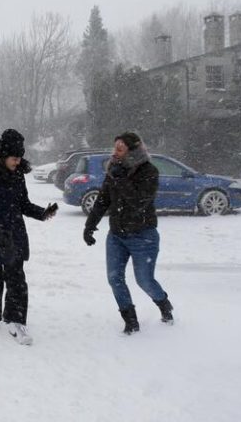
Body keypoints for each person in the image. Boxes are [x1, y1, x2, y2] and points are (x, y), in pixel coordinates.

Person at [0, 129, 57, 345]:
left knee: (17, 281)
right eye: (14, 158)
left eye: (19, 158)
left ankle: (16, 321)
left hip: (13, 234)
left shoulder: (17, 176)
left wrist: (42, 213)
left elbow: (22, 203)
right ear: (3, 156)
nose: (17, 162)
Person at [83, 132, 174, 335]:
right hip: (116, 235)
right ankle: (130, 321)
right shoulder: (114, 170)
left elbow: (139, 202)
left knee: (144, 280)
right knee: (114, 278)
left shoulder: (149, 171)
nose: (115, 152)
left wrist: (120, 178)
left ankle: (164, 303)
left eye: (120, 149)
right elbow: (103, 199)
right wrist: (89, 225)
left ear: (133, 151)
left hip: (143, 236)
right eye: (115, 147)